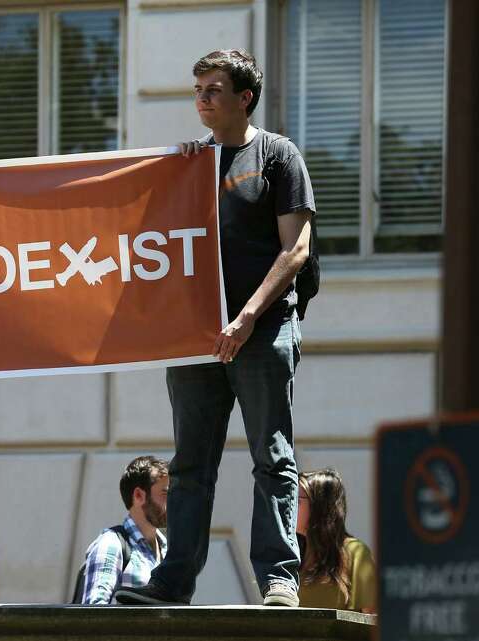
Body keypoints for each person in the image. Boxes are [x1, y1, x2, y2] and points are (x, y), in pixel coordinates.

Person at [116, 49, 314, 607]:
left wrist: (248, 316)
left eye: (214, 89)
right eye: (198, 88)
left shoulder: (278, 155)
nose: (202, 99)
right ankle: (173, 583)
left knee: (271, 456)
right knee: (189, 467)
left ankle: (279, 580)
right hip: (195, 337)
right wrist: (172, 175)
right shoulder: (190, 163)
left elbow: (296, 247)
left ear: (244, 97)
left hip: (264, 329)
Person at [76, 456, 168, 604]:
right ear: (139, 495)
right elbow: (93, 615)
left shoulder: (168, 550)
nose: (173, 501)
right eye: (165, 493)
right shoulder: (110, 544)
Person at [297, 469, 376, 613]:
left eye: (296, 501)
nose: (288, 507)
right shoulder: (291, 554)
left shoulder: (356, 552)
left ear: (320, 506)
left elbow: (371, 620)